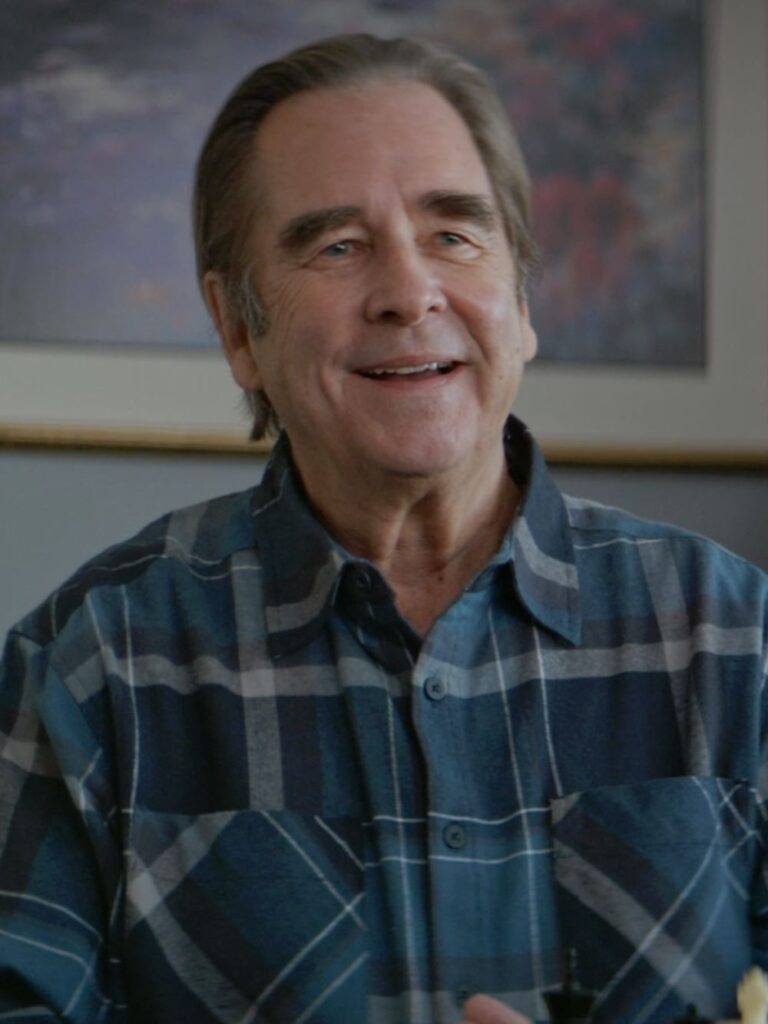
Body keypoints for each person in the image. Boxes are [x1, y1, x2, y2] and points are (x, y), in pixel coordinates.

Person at [0, 31, 766, 1024]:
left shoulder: (736, 638)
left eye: (454, 234)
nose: (409, 293)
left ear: (521, 299)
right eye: (337, 246)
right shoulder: (89, 664)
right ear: (237, 328)